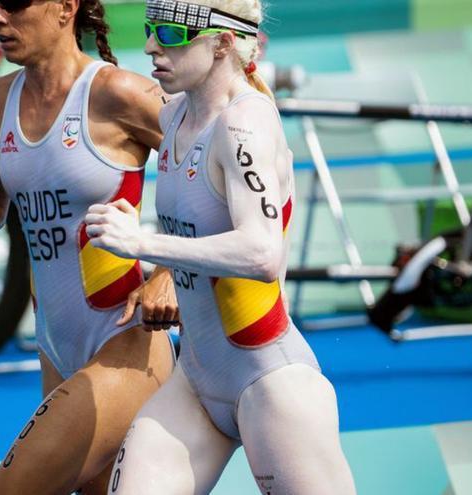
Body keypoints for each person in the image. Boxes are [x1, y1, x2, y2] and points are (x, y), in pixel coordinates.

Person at [84, 0, 356, 493]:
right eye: (148, 29)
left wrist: (144, 243)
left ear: (222, 43)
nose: (149, 46)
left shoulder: (243, 125)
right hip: (195, 381)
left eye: (168, 33)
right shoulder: (173, 120)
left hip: (270, 385)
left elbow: (261, 254)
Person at [0, 1, 178, 493]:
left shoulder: (118, 92)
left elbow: (215, 176)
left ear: (66, 8)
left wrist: (170, 270)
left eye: (16, 5)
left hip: (126, 344)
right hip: (55, 347)